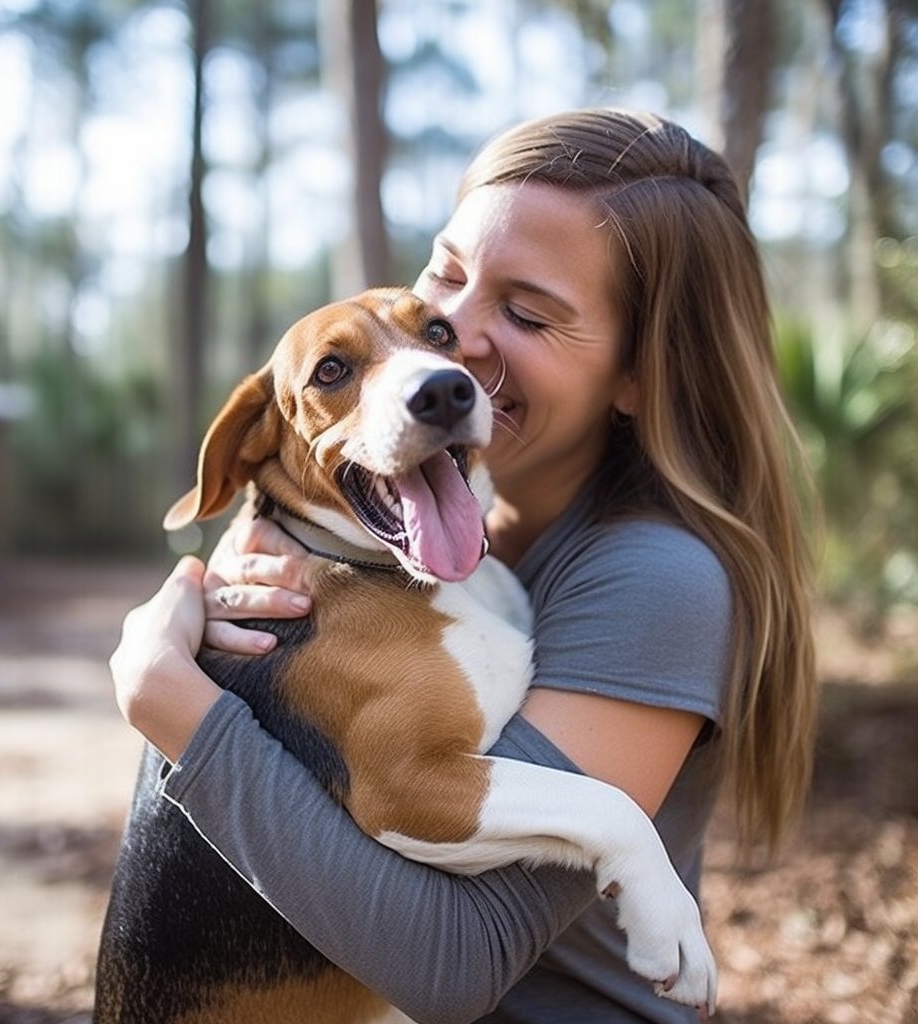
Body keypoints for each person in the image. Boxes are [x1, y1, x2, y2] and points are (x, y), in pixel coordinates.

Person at [109, 108, 817, 1023]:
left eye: (526, 312)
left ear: (643, 374)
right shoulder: (431, 533)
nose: (454, 337)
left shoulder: (655, 580)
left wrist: (172, 707)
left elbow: (453, 963)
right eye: (445, 275)